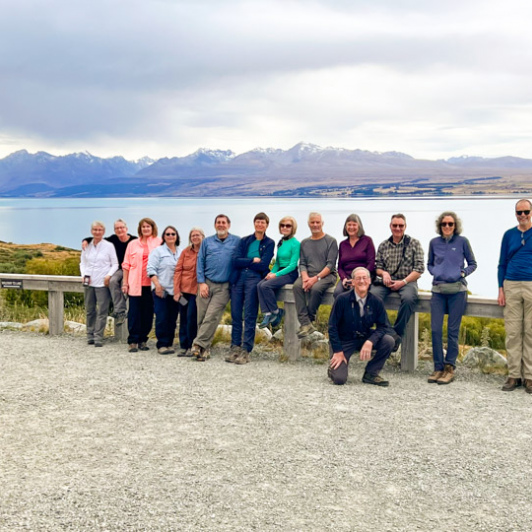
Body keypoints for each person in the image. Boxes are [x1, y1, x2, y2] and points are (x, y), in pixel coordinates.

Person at [427, 212, 477, 385]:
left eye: (450, 224)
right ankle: (438, 367)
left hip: (458, 291)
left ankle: (449, 368)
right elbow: (429, 264)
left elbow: (473, 263)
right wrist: (437, 272)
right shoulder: (434, 243)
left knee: (453, 331)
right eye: (444, 224)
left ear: (455, 226)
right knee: (435, 330)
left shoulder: (462, 242)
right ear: (440, 226)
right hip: (438, 291)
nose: (447, 227)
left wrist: (462, 273)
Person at [328, 267, 395, 386]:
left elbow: (383, 326)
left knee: (388, 340)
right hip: (345, 340)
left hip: (364, 337)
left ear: (369, 281)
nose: (362, 281)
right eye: (358, 278)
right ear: (352, 282)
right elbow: (332, 327)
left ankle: (371, 373)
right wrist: (338, 351)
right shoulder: (342, 299)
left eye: (364, 278)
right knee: (339, 379)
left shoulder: (376, 301)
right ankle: (332, 368)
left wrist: (370, 341)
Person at [371, 213, 425, 351]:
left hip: (407, 282)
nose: (398, 228)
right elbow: (377, 267)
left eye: (401, 225)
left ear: (405, 227)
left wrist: (403, 282)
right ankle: (389, 332)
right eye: (395, 225)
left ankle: (397, 333)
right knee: (372, 298)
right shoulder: (383, 245)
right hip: (387, 283)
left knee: (408, 299)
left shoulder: (414, 244)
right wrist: (384, 274)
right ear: (390, 226)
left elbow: (419, 269)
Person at [226, 213, 275, 364]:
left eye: (263, 222)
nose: (260, 225)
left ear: (267, 225)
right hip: (239, 277)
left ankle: (245, 350)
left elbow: (263, 265)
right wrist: (251, 260)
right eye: (258, 222)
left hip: (254, 278)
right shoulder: (245, 240)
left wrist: (246, 262)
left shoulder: (269, 243)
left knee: (249, 314)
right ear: (254, 224)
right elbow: (234, 260)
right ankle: (235, 347)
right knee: (235, 313)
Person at [191, 214, 240, 361]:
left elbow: (241, 261)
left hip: (224, 287)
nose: (221, 225)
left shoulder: (237, 241)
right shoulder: (207, 242)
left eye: (223, 223)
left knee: (212, 316)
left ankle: (197, 344)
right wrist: (201, 283)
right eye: (218, 222)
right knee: (201, 317)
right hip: (206, 283)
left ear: (228, 225)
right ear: (214, 225)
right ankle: (203, 350)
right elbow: (200, 262)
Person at [498, 198, 532, 393]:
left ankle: (529, 376)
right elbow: (501, 263)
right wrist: (500, 288)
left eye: (526, 212)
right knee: (512, 332)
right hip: (510, 284)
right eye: (519, 212)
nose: (523, 216)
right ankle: (513, 375)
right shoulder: (509, 235)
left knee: (530, 332)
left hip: (531, 284)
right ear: (515, 214)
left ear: (531, 212)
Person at [82, 219, 137, 324]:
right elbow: (97, 239)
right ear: (114, 230)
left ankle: (120, 310)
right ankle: (120, 311)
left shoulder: (134, 240)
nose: (120, 230)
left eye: (121, 227)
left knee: (122, 284)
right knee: (112, 281)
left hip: (132, 269)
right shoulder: (113, 239)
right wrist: (86, 240)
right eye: (117, 228)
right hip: (118, 269)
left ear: (126, 229)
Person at [292, 212, 338, 338]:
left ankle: (309, 318)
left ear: (322, 223)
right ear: (308, 224)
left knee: (316, 288)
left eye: (318, 222)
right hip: (309, 275)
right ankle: (305, 324)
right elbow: (302, 263)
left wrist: (315, 279)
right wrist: (306, 278)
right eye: (313, 222)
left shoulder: (331, 241)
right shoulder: (305, 243)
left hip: (327, 276)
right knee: (296, 286)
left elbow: (330, 265)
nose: (315, 225)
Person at [122, 218, 162, 353]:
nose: (146, 229)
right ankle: (133, 341)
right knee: (134, 313)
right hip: (135, 284)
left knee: (148, 313)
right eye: (143, 226)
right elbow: (126, 265)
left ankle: (143, 340)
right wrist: (125, 283)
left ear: (152, 228)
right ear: (140, 228)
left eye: (148, 226)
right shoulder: (133, 244)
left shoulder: (159, 242)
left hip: (151, 285)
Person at [80, 221, 118, 347]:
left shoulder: (109, 246)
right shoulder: (87, 245)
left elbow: (115, 264)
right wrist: (83, 275)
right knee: (90, 310)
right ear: (92, 231)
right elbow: (83, 263)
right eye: (95, 230)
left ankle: (98, 337)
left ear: (103, 232)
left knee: (102, 311)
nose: (97, 232)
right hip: (89, 283)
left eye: (100, 230)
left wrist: (109, 275)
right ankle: (90, 334)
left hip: (102, 283)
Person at [257, 216, 300, 329]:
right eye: (282, 225)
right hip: (280, 271)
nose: (285, 227)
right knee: (259, 285)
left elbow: (292, 265)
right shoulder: (281, 242)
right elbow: (277, 263)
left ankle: (276, 311)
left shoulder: (295, 243)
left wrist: (275, 275)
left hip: (290, 273)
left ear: (293, 228)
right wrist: (270, 273)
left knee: (266, 286)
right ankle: (267, 313)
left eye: (288, 225)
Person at [147, 226, 181, 355]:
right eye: (168, 234)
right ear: (164, 236)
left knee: (172, 318)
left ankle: (169, 343)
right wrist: (157, 285)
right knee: (161, 317)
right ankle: (162, 344)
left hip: (175, 292)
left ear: (177, 236)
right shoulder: (158, 251)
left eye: (173, 234)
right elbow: (151, 269)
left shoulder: (180, 252)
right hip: (161, 290)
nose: (170, 236)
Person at [173, 227, 205, 357]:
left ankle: (192, 345)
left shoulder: (205, 251)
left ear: (202, 236)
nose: (195, 237)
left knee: (192, 318)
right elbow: (178, 271)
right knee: (184, 318)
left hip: (196, 291)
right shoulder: (186, 252)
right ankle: (184, 346)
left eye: (197, 235)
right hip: (183, 291)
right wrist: (176, 291)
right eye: (193, 236)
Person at [334, 213, 375, 298]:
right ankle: (340, 311)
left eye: (354, 225)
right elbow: (340, 267)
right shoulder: (343, 244)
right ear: (345, 227)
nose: (351, 227)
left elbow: (371, 263)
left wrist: (359, 278)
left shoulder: (367, 240)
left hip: (363, 276)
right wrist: (344, 278)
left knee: (353, 294)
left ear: (359, 226)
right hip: (348, 277)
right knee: (337, 293)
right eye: (349, 225)